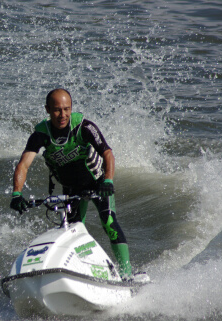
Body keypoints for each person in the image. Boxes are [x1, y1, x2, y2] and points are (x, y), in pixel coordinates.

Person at [9, 88, 133, 280]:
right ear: (47, 110)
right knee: (73, 231)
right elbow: (23, 165)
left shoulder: (84, 127)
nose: (63, 115)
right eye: (57, 110)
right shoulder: (41, 134)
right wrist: (17, 194)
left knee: (108, 222)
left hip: (97, 182)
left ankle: (127, 276)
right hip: (71, 189)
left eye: (67, 109)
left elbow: (107, 153)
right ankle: (81, 274)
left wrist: (108, 180)